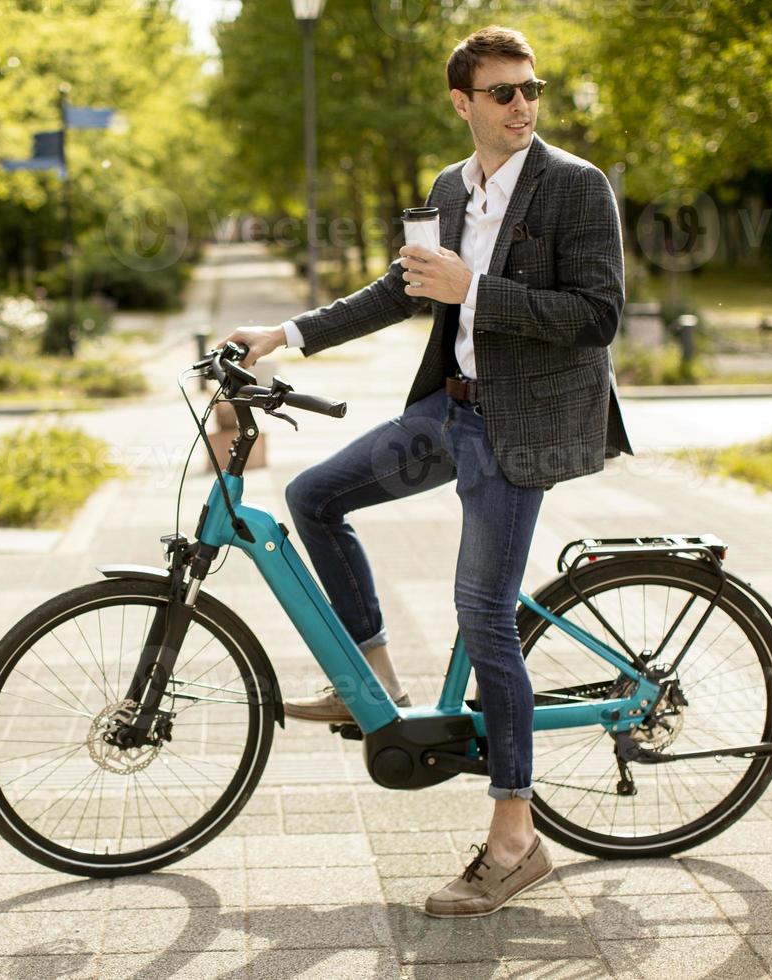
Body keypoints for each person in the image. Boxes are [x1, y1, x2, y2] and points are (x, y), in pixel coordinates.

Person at [219, 25, 632, 917]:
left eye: (532, 89)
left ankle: (516, 841)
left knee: (482, 615)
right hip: (453, 411)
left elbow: (599, 315)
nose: (523, 105)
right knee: (312, 495)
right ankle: (372, 671)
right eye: (502, 93)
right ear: (462, 103)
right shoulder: (451, 188)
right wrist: (282, 335)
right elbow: (400, 289)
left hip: (523, 429)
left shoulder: (575, 186)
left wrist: (473, 290)